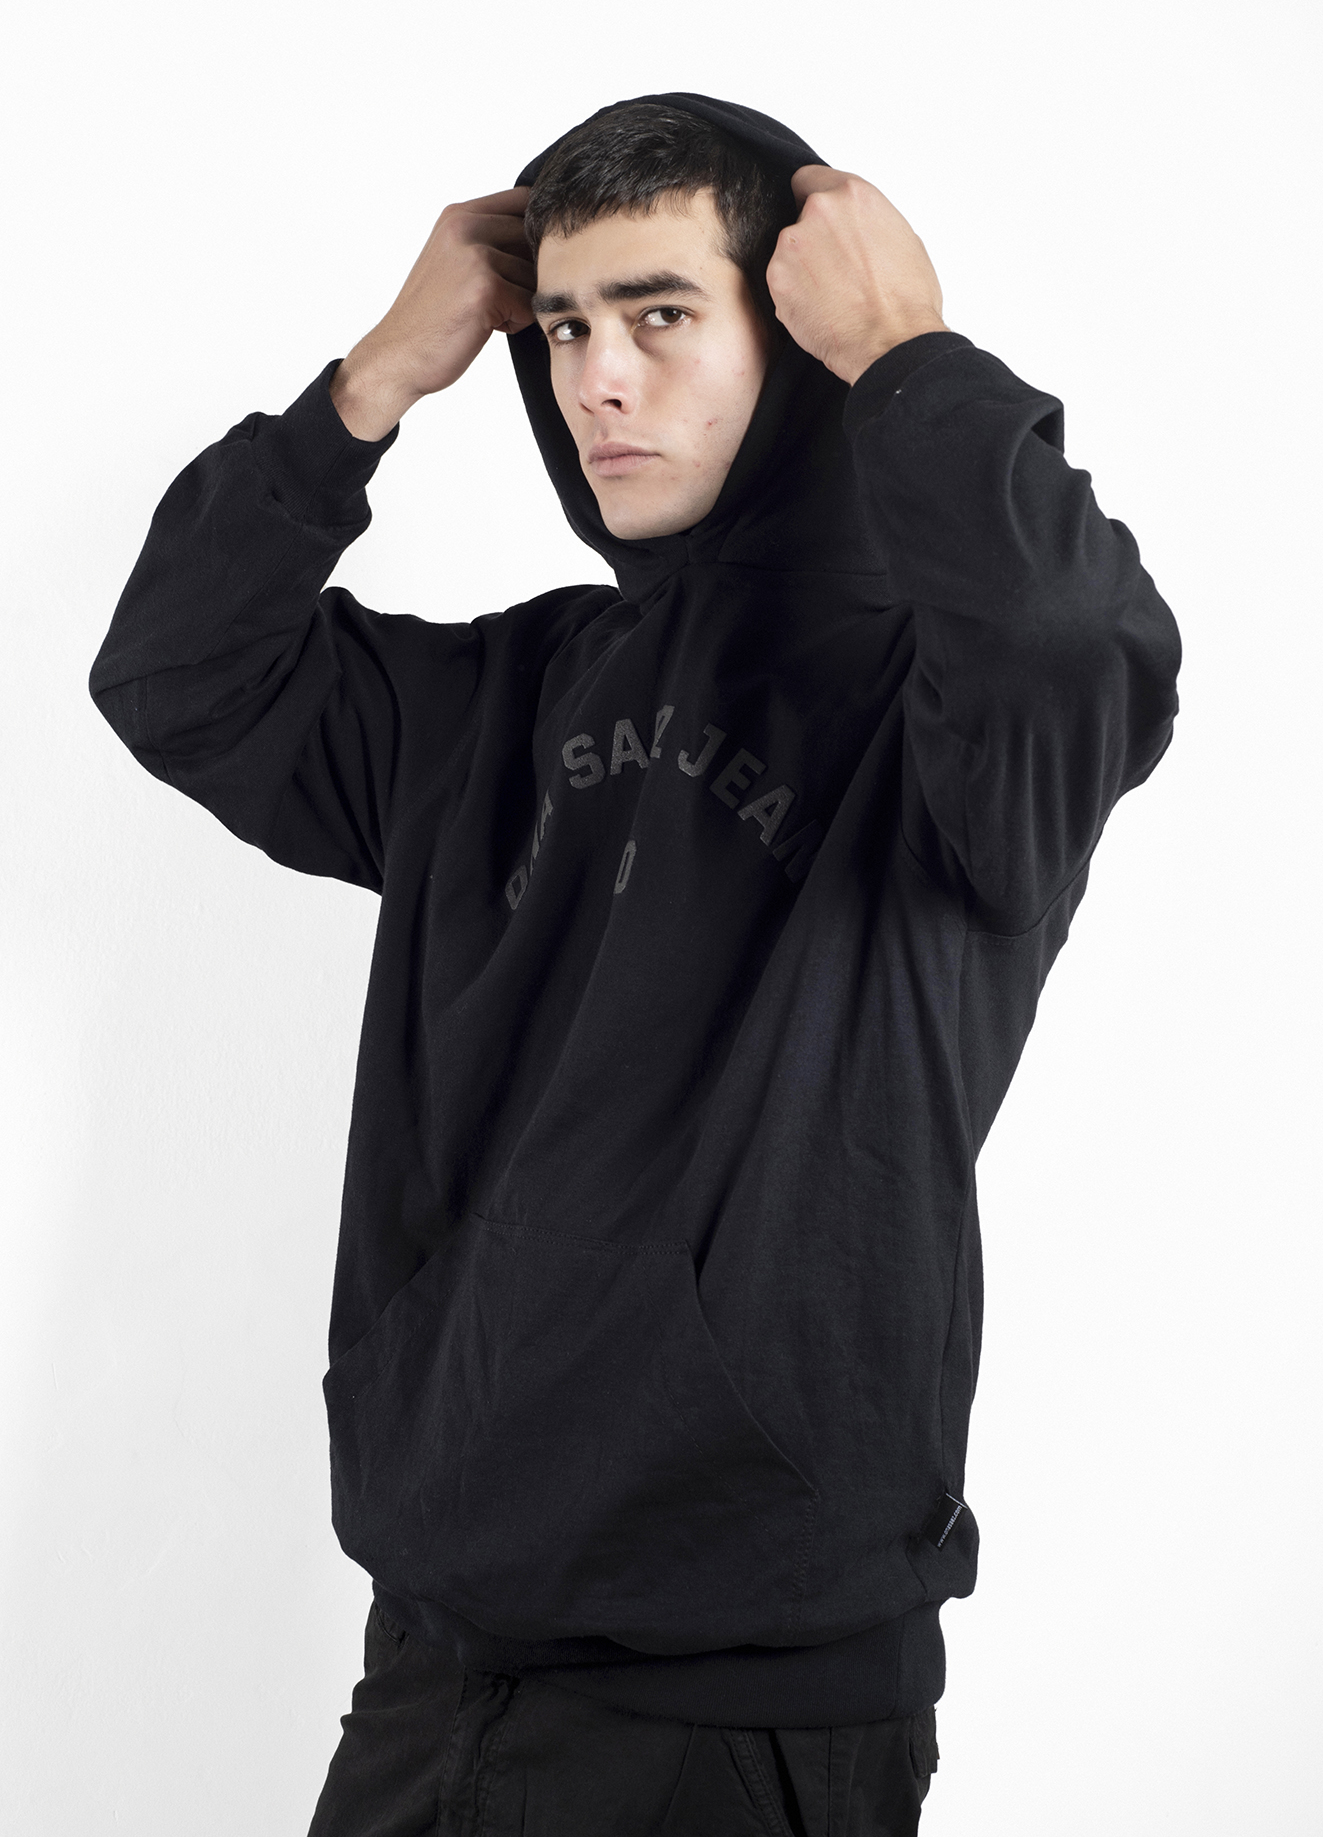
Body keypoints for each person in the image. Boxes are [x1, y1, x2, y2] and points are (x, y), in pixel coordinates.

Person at [89, 93, 1181, 1835]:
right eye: (567, 328)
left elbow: (1075, 636)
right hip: (434, 1665)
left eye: (662, 315)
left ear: (796, 332)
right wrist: (377, 377)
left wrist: (908, 350)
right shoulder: (501, 695)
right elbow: (178, 675)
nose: (599, 380)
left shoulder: (945, 719)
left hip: (738, 1713)